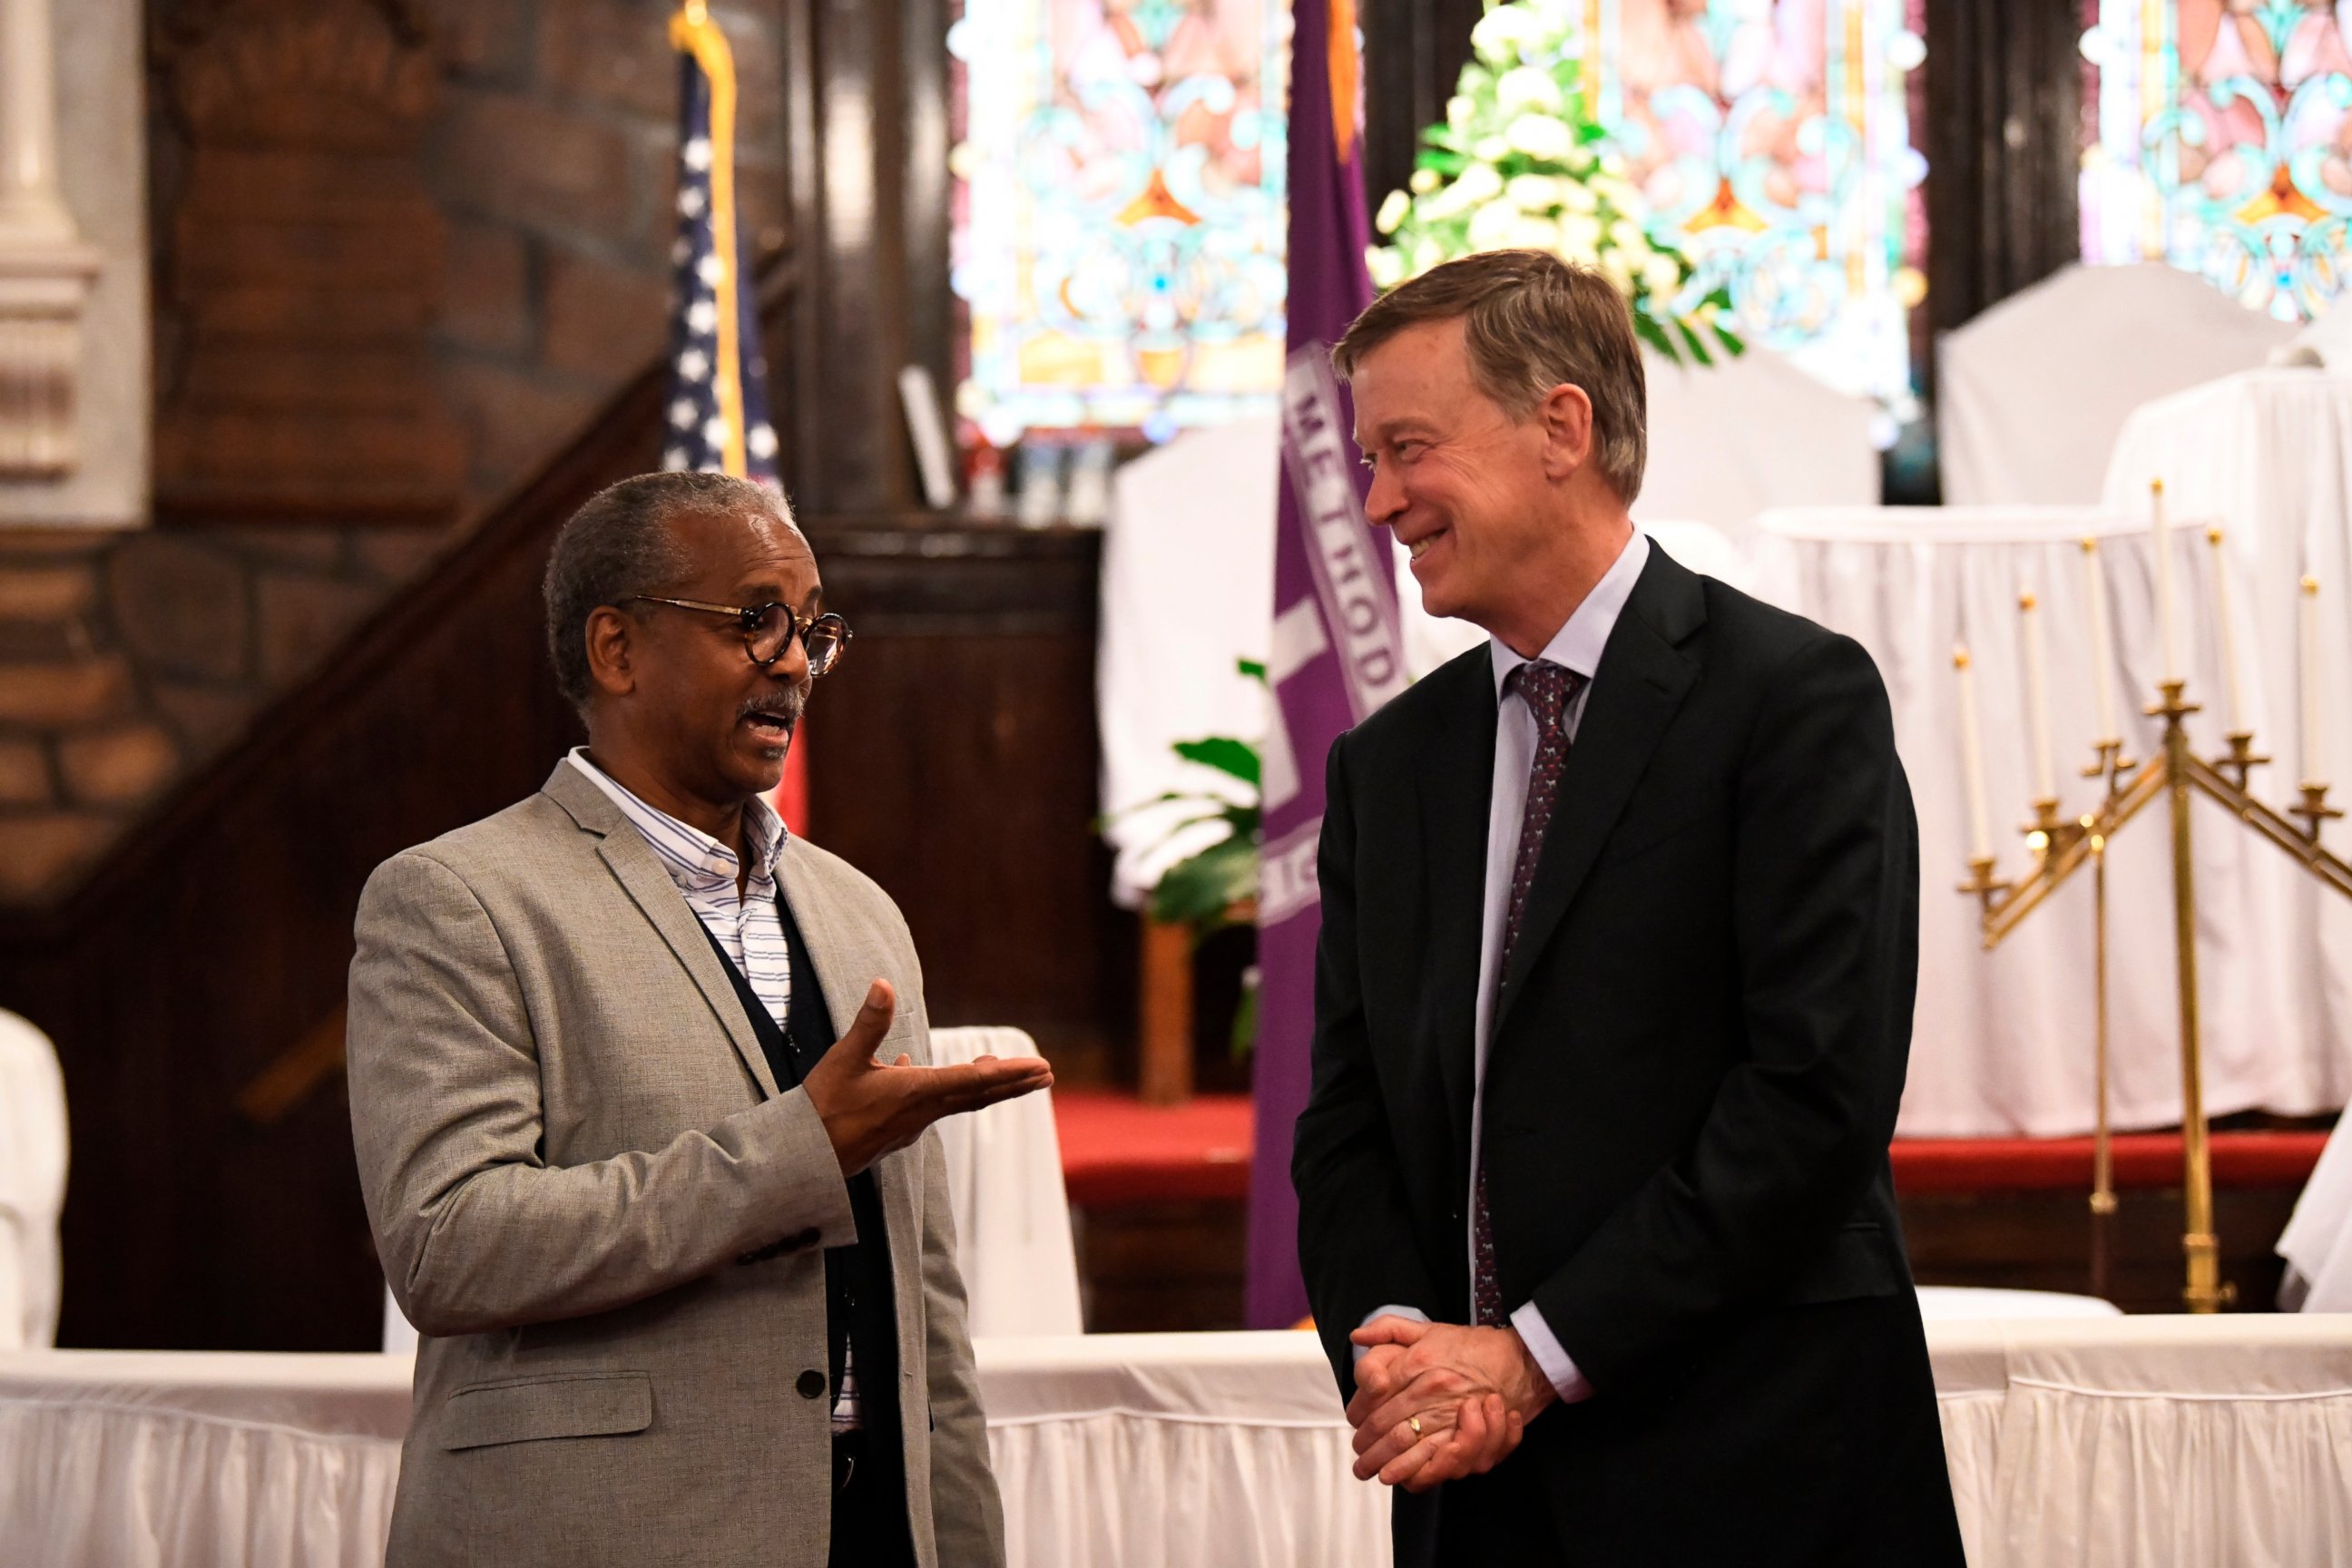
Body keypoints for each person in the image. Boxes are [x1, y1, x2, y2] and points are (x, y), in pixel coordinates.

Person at [1290, 250, 1965, 1564]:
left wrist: (1531, 1361)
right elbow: (1349, 1119)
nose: (1379, 501)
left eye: (1408, 448)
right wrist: (1408, 1366)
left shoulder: (1792, 701)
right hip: (1481, 1494)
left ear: (1562, 427)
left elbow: (1809, 1102)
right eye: (1370, 458)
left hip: (1753, 1472)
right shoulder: (1394, 764)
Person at [348, 470, 1050, 1568]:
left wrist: (959, 1545)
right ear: (617, 650)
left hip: (872, 1530)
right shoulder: (458, 899)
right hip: (609, 1534)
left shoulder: (861, 913)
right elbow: (449, 1246)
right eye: (756, 620)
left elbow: (926, 1311)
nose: (793, 662)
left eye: (813, 630)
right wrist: (793, 1153)